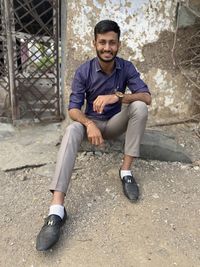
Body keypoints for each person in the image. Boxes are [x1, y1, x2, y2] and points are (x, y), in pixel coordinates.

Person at [36, 20, 151, 251]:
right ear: (95, 43)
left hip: (114, 124)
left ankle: (126, 171)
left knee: (139, 107)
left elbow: (146, 97)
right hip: (91, 127)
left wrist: (117, 97)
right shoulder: (83, 71)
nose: (107, 47)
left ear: (118, 45)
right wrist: (88, 123)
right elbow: (73, 109)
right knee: (72, 128)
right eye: (102, 42)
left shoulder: (126, 67)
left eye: (112, 43)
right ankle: (56, 211)